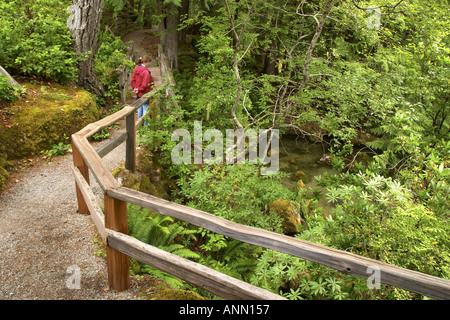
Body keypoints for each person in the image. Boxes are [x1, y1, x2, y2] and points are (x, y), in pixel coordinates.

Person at [131, 55, 154, 121]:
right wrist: (139, 89)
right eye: (149, 62)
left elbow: (133, 80)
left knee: (139, 108)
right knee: (145, 109)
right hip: (145, 93)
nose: (149, 64)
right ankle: (145, 125)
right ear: (146, 62)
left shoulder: (137, 68)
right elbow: (145, 84)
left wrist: (135, 88)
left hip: (138, 93)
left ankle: (139, 124)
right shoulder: (146, 72)